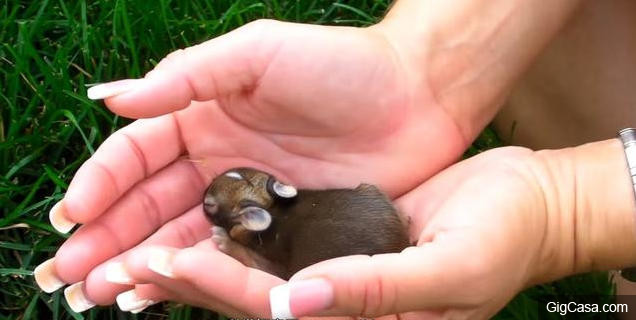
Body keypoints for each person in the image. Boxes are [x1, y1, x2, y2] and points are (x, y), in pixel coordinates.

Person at [33, 0, 636, 318]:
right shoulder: (280, 209)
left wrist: (570, 209)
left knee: (596, 298)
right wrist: (431, 64)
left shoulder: (269, 223)